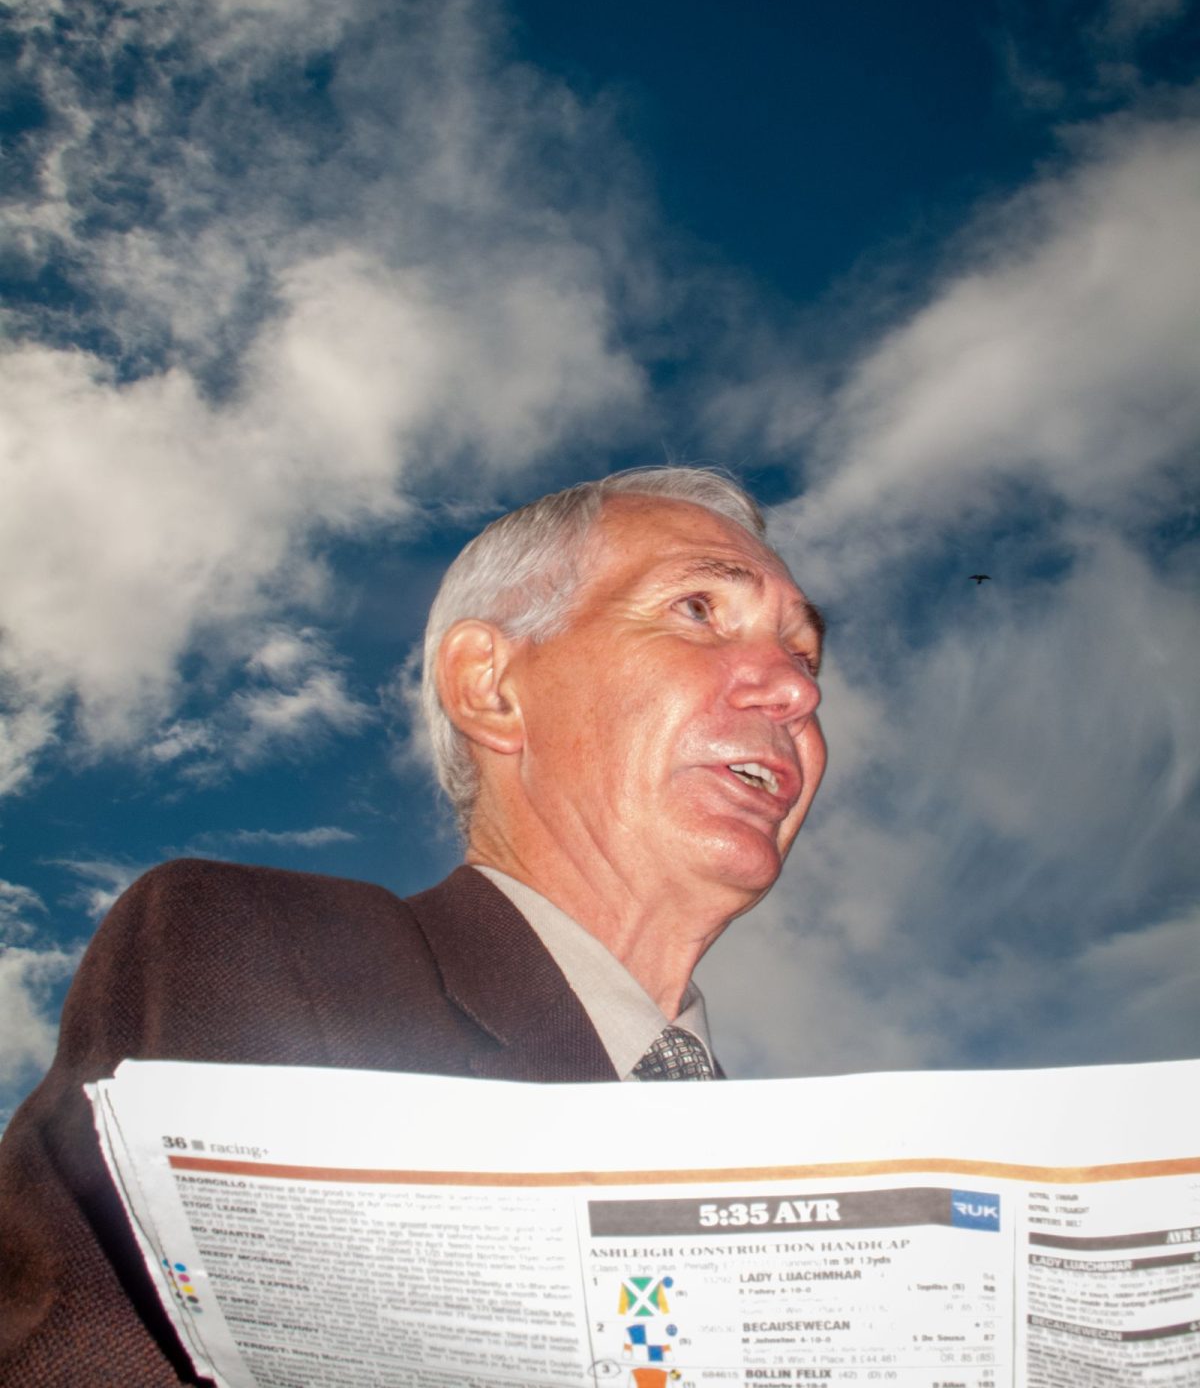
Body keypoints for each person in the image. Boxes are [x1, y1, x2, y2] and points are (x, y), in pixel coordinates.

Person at [0, 466, 826, 1384]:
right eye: (699, 610)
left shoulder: (814, 1180)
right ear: (489, 687)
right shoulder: (270, 957)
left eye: (806, 657)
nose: (795, 691)